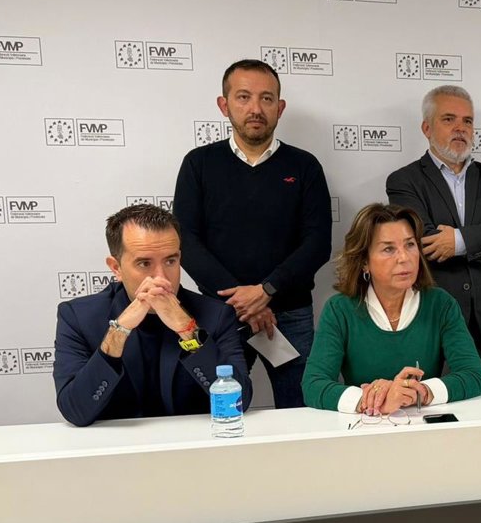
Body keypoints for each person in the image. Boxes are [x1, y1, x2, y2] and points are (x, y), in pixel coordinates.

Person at [173, 58, 333, 408]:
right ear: (224, 105)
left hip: (289, 315)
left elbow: (318, 243)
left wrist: (266, 290)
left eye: (266, 98)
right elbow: (186, 242)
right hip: (220, 314)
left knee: (302, 412)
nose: (256, 108)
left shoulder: (304, 166)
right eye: (244, 97)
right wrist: (244, 301)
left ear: (280, 108)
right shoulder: (199, 164)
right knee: (218, 411)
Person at [386, 85, 481, 394]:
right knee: (433, 408)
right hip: (434, 320)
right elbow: (426, 243)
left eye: (467, 121)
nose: (460, 128)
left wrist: (459, 240)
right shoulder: (404, 181)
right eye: (449, 119)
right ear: (427, 128)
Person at [53, 204, 251, 426]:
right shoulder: (79, 317)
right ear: (116, 267)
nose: (161, 278)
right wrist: (119, 332)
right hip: (118, 445)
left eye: (170, 261)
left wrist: (187, 329)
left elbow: (240, 402)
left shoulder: (216, 315)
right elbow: (75, 411)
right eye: (144, 263)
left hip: (192, 442)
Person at [302, 203, 481, 413]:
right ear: (364, 262)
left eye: (410, 245)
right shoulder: (339, 310)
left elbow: (473, 375)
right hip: (365, 423)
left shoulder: (441, 304)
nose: (404, 258)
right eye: (388, 249)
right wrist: (372, 400)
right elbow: (313, 385)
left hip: (423, 422)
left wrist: (420, 392)